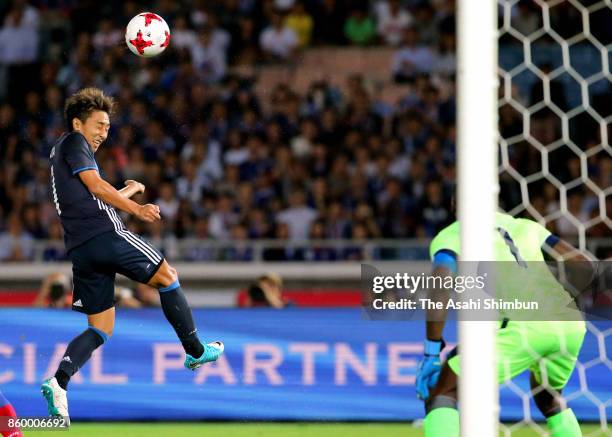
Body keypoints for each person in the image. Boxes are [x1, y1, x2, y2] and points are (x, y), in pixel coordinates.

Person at [41, 88, 224, 421]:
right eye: (98, 125)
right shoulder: (74, 143)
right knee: (168, 277)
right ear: (78, 123)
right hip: (106, 235)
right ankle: (196, 351)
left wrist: (127, 191)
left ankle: (59, 381)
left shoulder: (61, 153)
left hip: (82, 249)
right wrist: (137, 208)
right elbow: (97, 188)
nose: (103, 133)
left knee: (100, 328)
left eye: (108, 127)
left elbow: (92, 199)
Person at [416, 211, 589, 437]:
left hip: (522, 324)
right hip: (569, 323)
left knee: (443, 390)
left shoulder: (452, 234)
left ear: (453, 203)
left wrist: (431, 350)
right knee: (548, 398)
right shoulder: (527, 226)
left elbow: (440, 285)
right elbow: (583, 265)